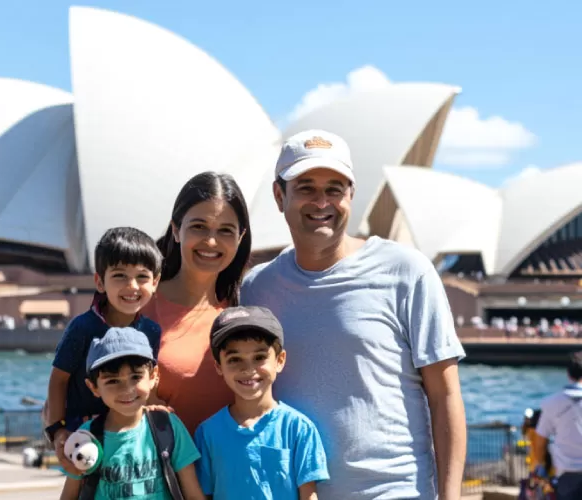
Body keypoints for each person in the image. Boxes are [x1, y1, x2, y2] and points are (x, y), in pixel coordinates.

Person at [240, 129, 467, 499]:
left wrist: (450, 496)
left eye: (334, 188)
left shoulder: (406, 271)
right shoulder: (257, 288)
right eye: (306, 187)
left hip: (394, 491)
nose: (321, 201)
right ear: (279, 195)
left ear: (351, 196)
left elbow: (445, 395)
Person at [44, 227, 163, 472]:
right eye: (119, 275)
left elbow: (147, 378)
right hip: (86, 435)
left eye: (142, 276)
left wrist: (156, 407)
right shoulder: (83, 327)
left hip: (130, 433)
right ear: (100, 281)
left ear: (155, 281)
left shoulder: (151, 330)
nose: (132, 286)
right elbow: (58, 380)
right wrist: (56, 430)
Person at [144, 171, 252, 435]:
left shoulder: (249, 308)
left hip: (232, 473)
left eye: (225, 230)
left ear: (240, 237)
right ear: (175, 230)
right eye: (199, 226)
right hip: (159, 473)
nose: (211, 241)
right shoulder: (137, 305)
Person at [195, 306, 329, 499]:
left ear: (280, 360)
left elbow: (309, 495)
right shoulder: (207, 433)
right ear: (218, 366)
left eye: (259, 357)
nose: (248, 369)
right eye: (235, 359)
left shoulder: (298, 428)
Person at [59, 327, 205, 500]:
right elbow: (69, 495)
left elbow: (193, 494)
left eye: (136, 377)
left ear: (153, 376)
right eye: (113, 381)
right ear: (94, 387)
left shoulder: (167, 426)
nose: (127, 389)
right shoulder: (86, 435)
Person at [531, 351, 582, 499]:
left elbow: (540, 440)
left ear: (568, 374)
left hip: (566, 476)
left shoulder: (551, 403)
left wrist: (540, 466)